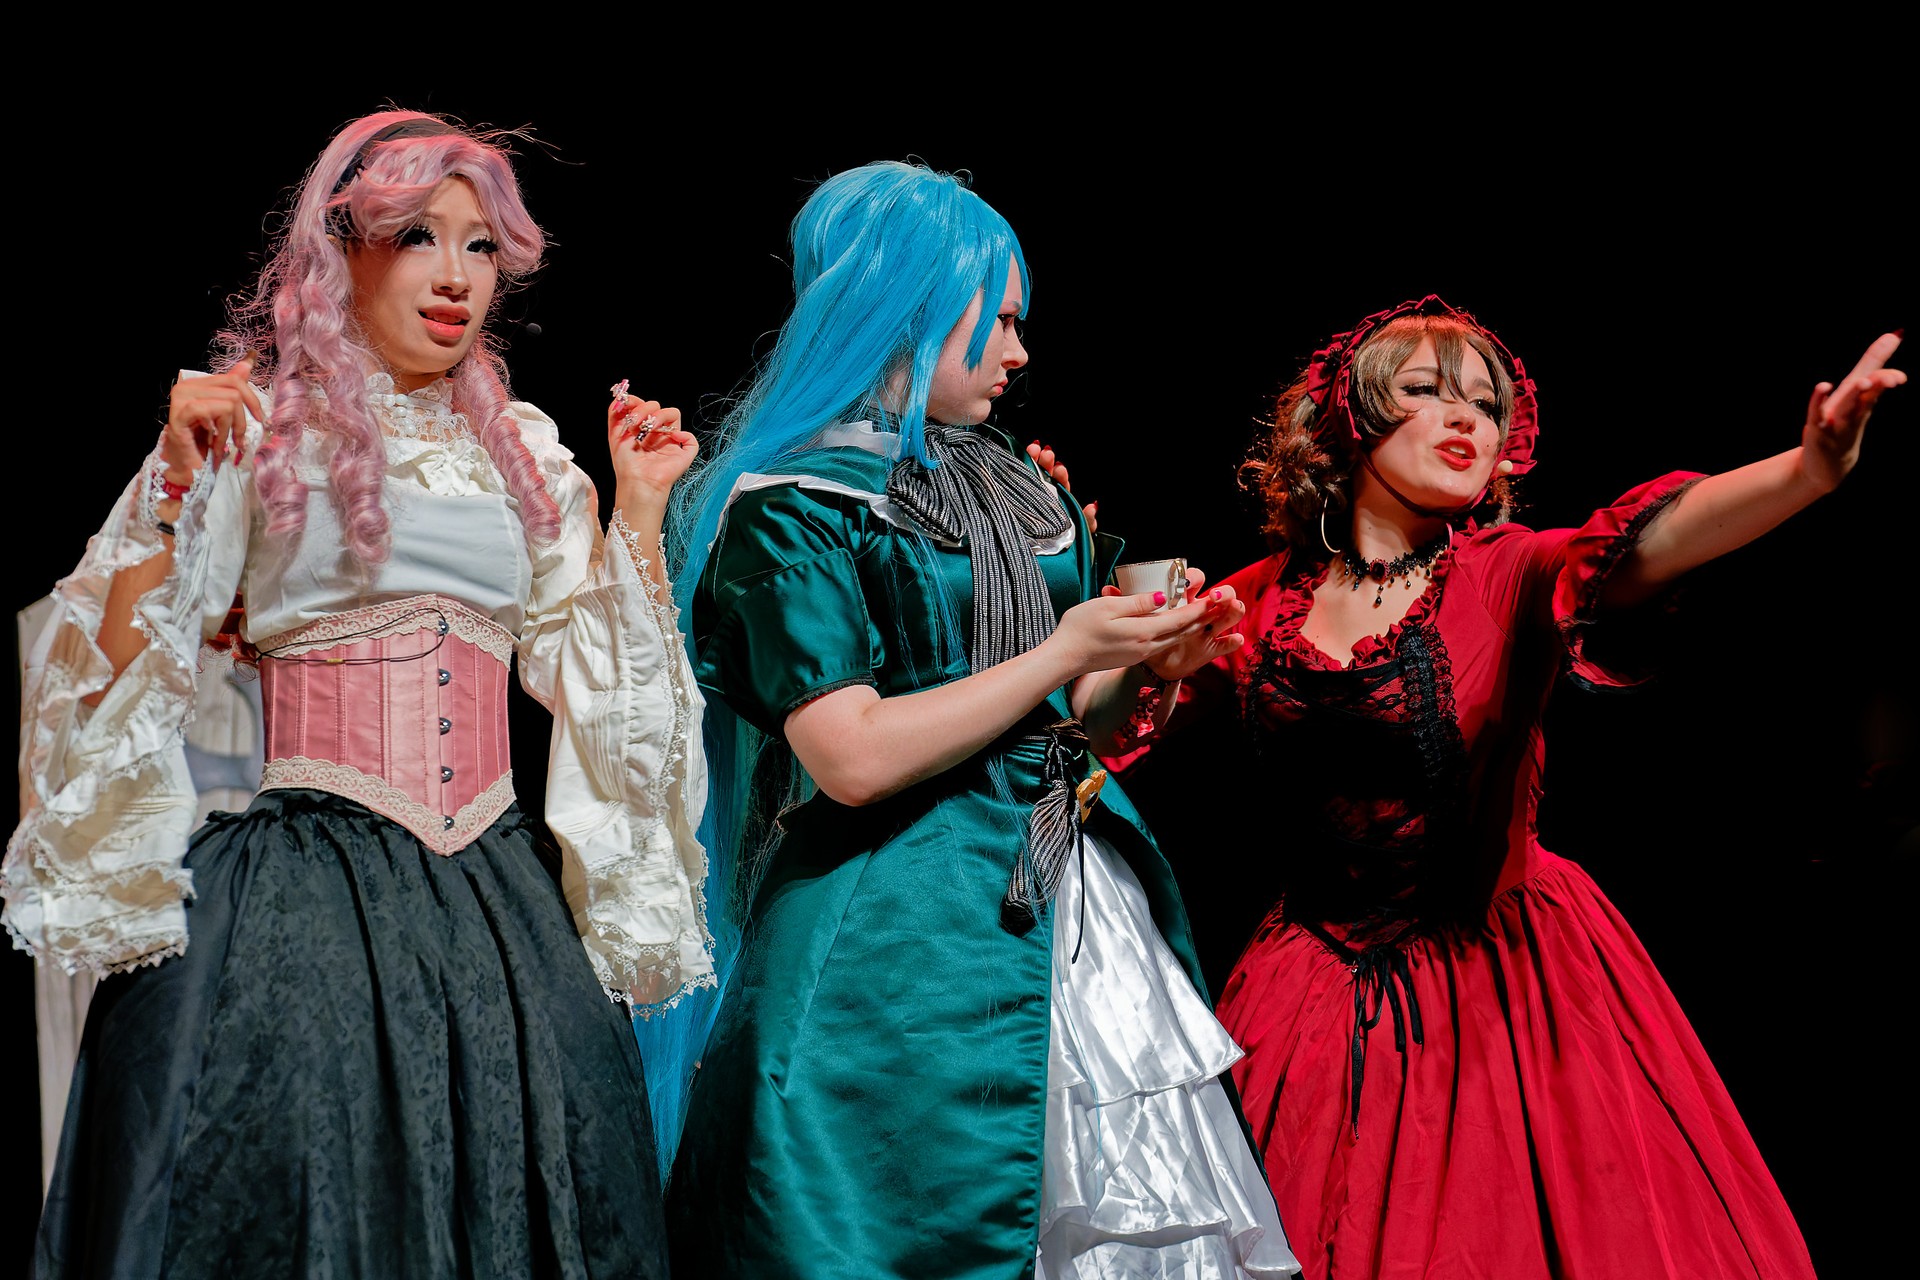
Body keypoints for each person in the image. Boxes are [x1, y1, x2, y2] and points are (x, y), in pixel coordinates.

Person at [3, 109, 712, 1278]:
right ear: (344, 253)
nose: (456, 276)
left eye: (479, 247)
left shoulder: (525, 454)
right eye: (417, 237)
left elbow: (603, 685)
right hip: (306, 891)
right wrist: (176, 481)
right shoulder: (262, 426)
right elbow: (122, 661)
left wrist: (637, 505)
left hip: (497, 900)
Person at [1144, 295, 1902, 1278]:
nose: (1466, 417)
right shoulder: (1254, 600)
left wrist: (1807, 470)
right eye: (1426, 391)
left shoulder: (1510, 570)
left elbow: (1650, 542)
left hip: (1503, 989)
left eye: (1486, 404)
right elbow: (1104, 730)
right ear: (1354, 417)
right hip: (1308, 1001)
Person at [653, 160, 1300, 1278]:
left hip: (1072, 909)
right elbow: (850, 757)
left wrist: (1152, 662)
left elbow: (1072, 724)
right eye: (997, 320)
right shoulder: (798, 504)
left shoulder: (1014, 485)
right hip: (892, 936)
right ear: (909, 305)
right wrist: (1068, 647)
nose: (1020, 351)